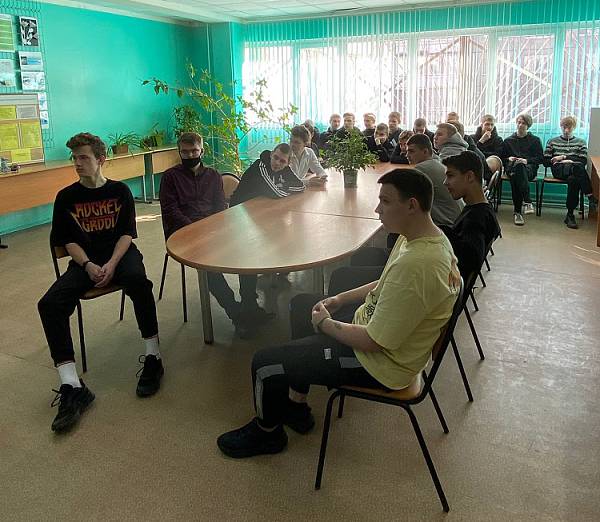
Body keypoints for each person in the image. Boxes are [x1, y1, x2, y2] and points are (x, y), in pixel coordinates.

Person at [216, 168, 460, 458]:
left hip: (380, 365)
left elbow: (374, 341)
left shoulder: (419, 264)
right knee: (302, 305)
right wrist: (339, 299)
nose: (377, 209)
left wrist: (326, 324)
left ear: (412, 205)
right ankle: (296, 407)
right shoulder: (421, 237)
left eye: (385, 201)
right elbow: (386, 281)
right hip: (376, 330)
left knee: (265, 363)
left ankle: (267, 433)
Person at [38, 133, 162, 433]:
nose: (77, 163)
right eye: (74, 158)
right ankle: (72, 386)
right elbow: (67, 241)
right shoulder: (66, 197)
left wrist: (112, 263)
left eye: (83, 157)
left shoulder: (120, 191)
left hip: (119, 255)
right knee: (50, 304)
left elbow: (127, 234)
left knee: (139, 282)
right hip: (86, 262)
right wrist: (89, 265)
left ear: (100, 159)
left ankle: (153, 356)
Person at [160, 132, 268, 339]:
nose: (190, 155)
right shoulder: (170, 177)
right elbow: (170, 210)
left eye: (194, 151)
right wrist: (195, 229)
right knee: (208, 266)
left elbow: (220, 207)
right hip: (183, 233)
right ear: (179, 152)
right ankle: (235, 313)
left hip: (212, 228)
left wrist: (214, 228)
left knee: (248, 252)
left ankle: (249, 305)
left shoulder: (213, 176)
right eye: (185, 152)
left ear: (202, 150)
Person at [440, 151, 501, 278]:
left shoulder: (475, 218)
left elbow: (471, 258)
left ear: (469, 177)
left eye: (450, 176)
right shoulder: (480, 208)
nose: (445, 182)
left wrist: (440, 231)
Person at [543, 116, 597, 229]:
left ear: (574, 127)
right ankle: (590, 196)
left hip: (574, 171)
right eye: (564, 126)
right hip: (559, 170)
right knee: (577, 167)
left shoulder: (581, 142)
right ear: (561, 126)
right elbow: (546, 162)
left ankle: (570, 214)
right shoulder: (552, 141)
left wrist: (564, 157)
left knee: (574, 179)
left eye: (569, 127)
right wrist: (562, 161)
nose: (566, 129)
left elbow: (583, 161)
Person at [407, 133, 463, 226]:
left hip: (447, 225)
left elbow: (405, 198)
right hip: (458, 218)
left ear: (425, 152)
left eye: (411, 151)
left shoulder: (422, 168)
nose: (407, 155)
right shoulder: (437, 161)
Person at [502, 114, 544, 226]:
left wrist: (526, 160)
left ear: (528, 126)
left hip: (529, 169)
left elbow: (540, 158)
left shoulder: (535, 140)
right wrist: (509, 158)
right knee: (517, 170)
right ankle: (527, 201)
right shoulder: (508, 140)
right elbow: (502, 157)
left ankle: (517, 212)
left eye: (523, 123)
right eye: (519, 122)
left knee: (518, 173)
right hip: (511, 168)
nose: (520, 125)